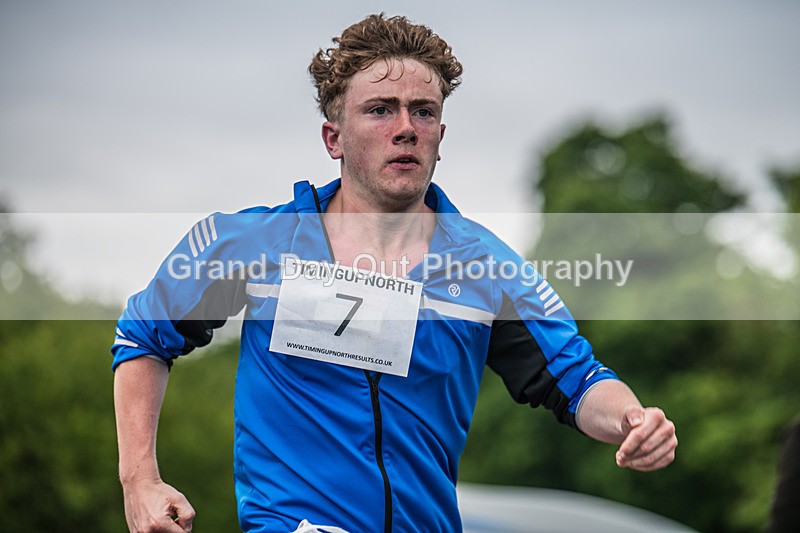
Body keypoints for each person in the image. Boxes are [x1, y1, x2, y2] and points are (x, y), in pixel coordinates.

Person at [112, 13, 678, 533]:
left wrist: (633, 419)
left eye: (422, 111)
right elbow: (143, 336)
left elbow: (578, 379)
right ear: (334, 138)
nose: (405, 128)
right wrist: (140, 480)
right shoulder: (254, 242)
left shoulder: (488, 268)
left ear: (440, 138)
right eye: (380, 109)